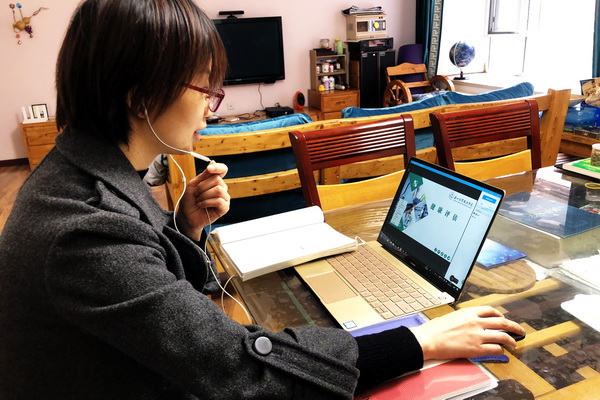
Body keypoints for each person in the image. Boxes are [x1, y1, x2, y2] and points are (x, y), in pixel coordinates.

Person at [0, 0, 525, 399]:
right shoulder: (82, 231)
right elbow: (238, 368)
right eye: (206, 90)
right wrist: (420, 343)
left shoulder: (88, 172)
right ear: (139, 97)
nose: (212, 108)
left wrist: (185, 228)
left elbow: (146, 284)